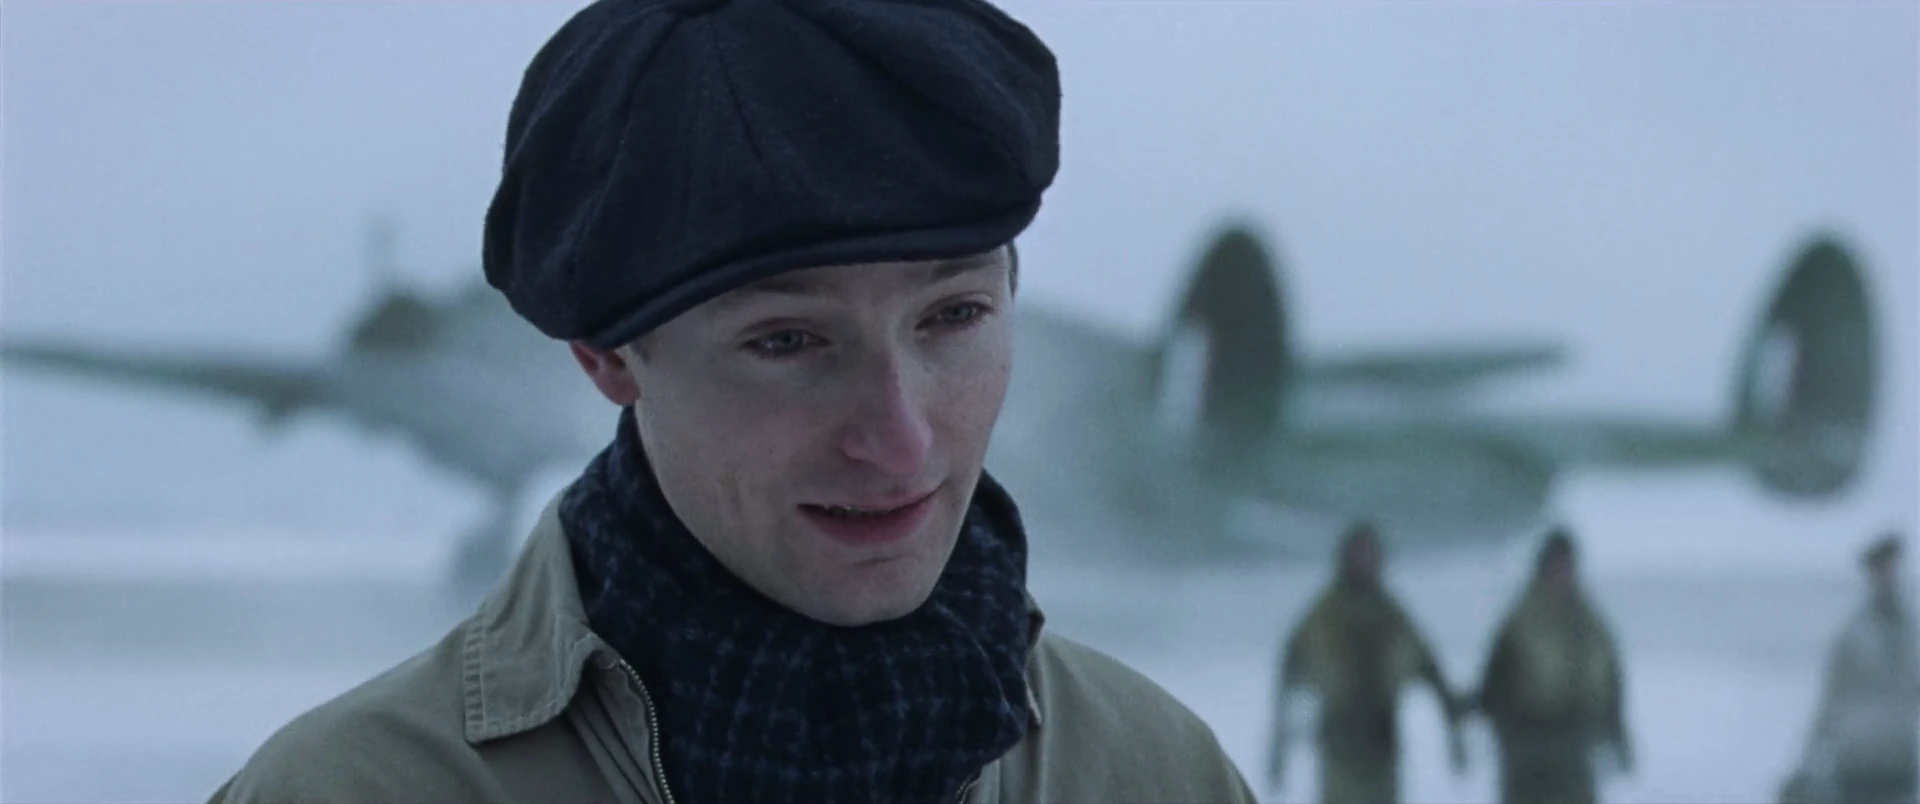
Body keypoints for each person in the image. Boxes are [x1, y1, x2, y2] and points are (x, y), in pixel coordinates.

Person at [205, 1, 1258, 802]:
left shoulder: (1156, 773)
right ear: (606, 356)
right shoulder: (350, 792)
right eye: (787, 342)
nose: (900, 443)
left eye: (954, 316)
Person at [1266, 521, 1469, 804]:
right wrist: (1278, 751)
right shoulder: (1324, 617)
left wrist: (1454, 734)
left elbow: (1431, 670)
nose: (1365, 562)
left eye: (1370, 554)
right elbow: (1288, 681)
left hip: (1381, 752)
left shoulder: (1391, 616)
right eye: (1359, 554)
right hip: (1339, 753)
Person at [1470, 527, 1632, 804]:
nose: (1563, 573)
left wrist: (1617, 734)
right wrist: (1510, 737)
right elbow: (1493, 685)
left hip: (1576, 749)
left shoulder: (1589, 624)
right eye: (1557, 565)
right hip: (1529, 751)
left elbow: (1611, 681)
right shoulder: (1521, 622)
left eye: (1567, 565)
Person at [1782, 531, 1918, 804]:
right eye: (1881, 569)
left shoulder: (1910, 632)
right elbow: (1831, 699)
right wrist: (1811, 757)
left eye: (1891, 568)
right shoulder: (1853, 635)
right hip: (1857, 760)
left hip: (1898, 757)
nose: (1887, 576)